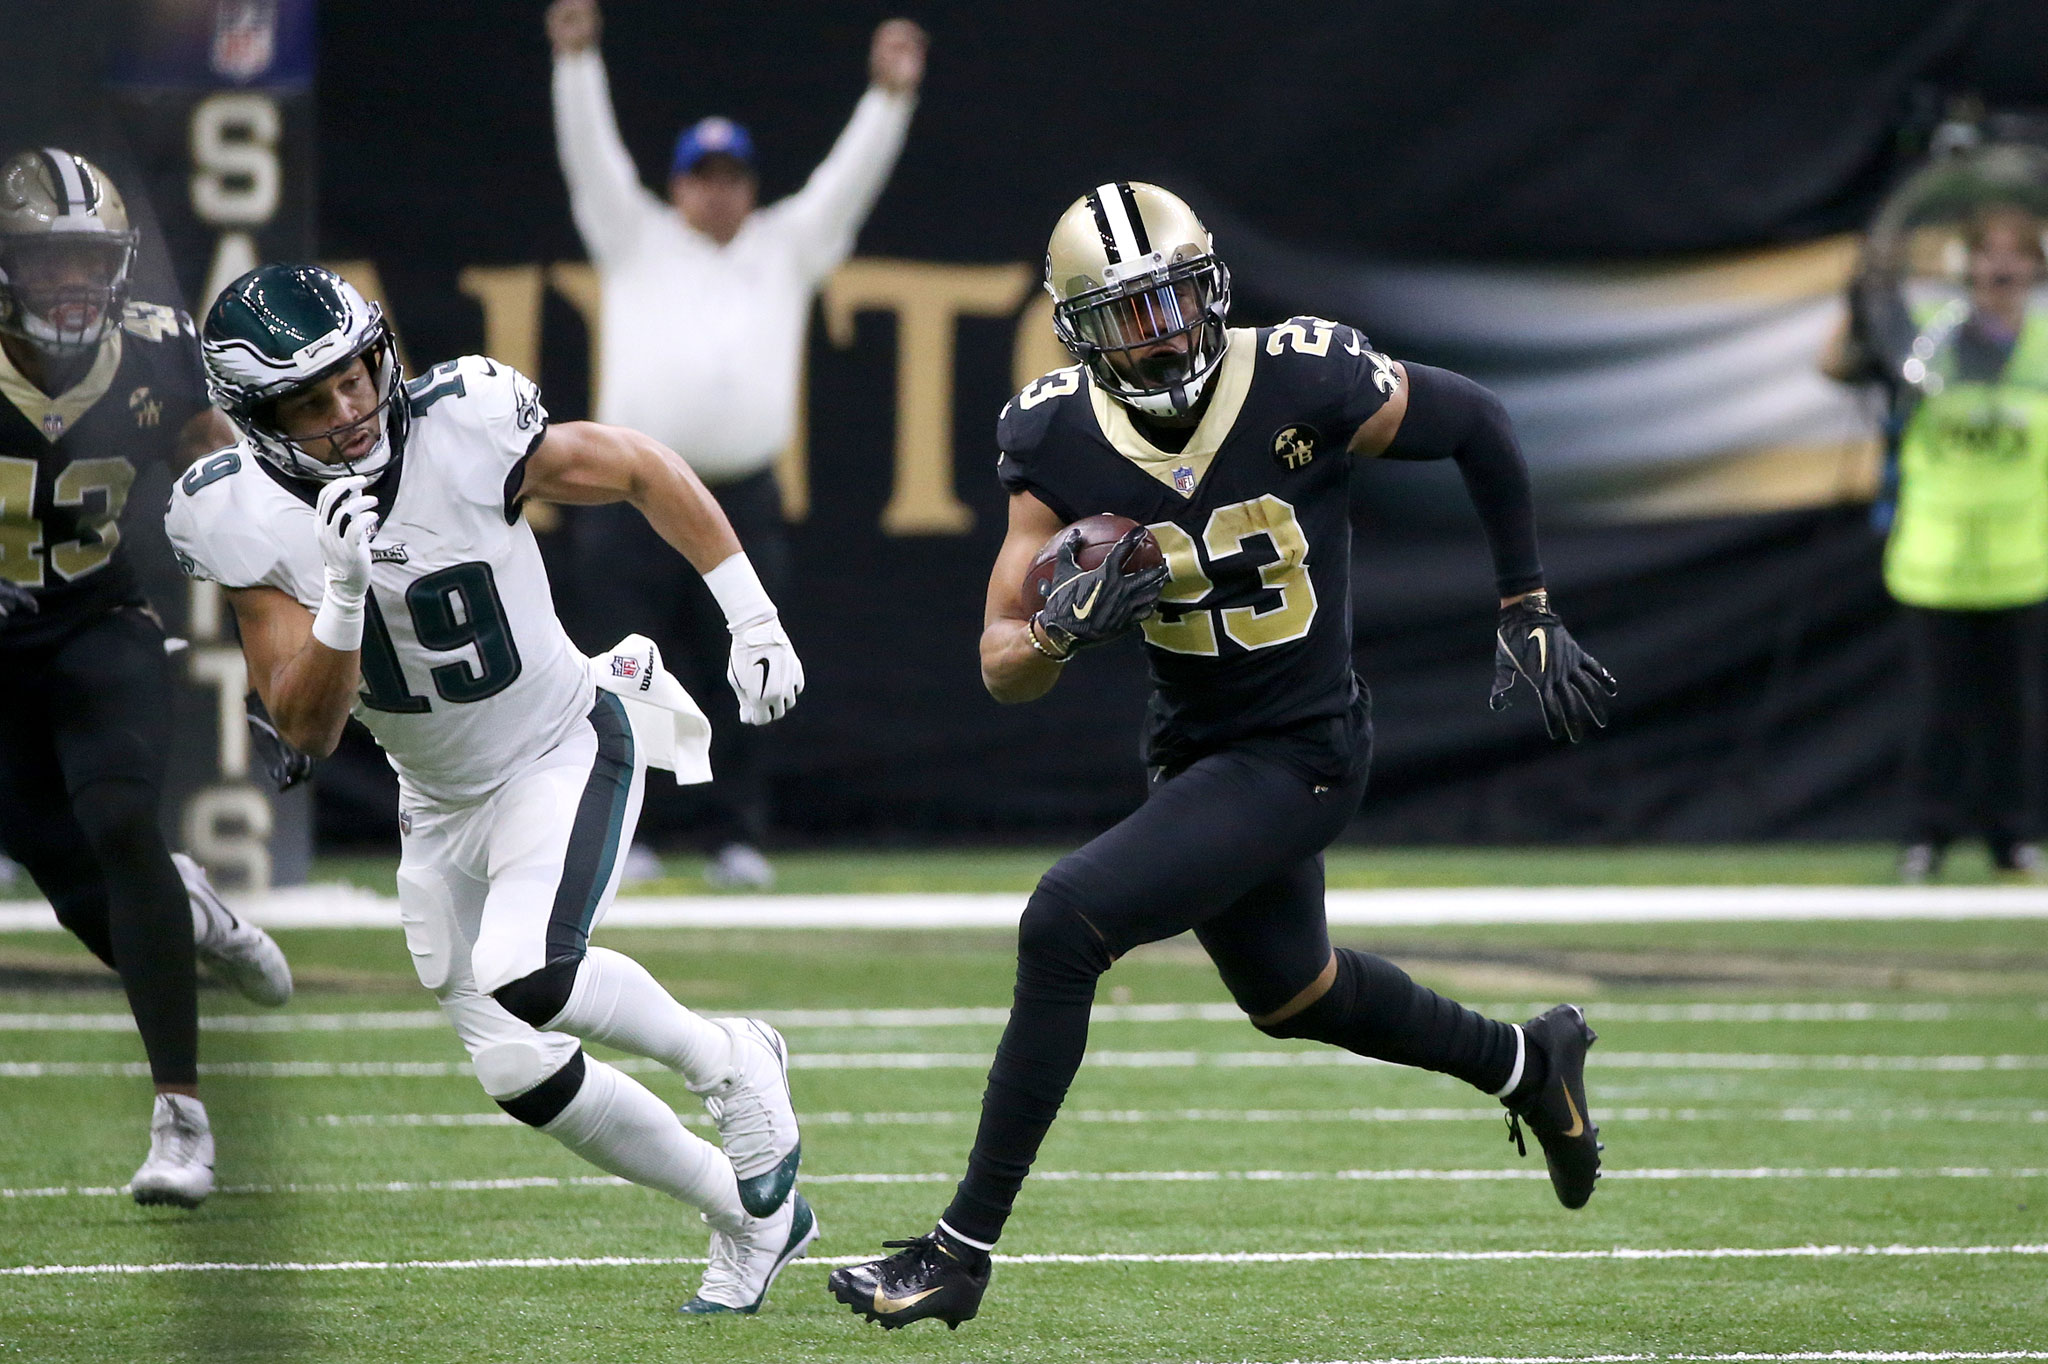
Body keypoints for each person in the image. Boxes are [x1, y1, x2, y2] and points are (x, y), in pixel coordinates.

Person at [828, 183, 1618, 1329]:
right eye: (1121, 317)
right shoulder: (1051, 434)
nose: (1153, 336)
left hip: (1301, 744)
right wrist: (1059, 624)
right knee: (1294, 991)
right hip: (1192, 745)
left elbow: (1479, 421)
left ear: (1209, 290)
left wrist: (1525, 599)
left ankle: (958, 1250)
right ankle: (1527, 1063)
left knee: (1064, 920)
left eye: (1167, 304)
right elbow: (1002, 660)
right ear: (1074, 331)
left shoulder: (1304, 377)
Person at [166, 263, 814, 1315]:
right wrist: (337, 595)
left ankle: (735, 1056)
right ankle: (753, 1219)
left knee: (527, 967)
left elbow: (641, 466)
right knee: (520, 1069)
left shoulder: (464, 423)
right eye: (311, 400)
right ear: (258, 421)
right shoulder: (233, 514)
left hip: (563, 740)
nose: (350, 410)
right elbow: (307, 725)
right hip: (438, 801)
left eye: (356, 376)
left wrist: (751, 614)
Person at [547, 0, 926, 888]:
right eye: (701, 175)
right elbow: (590, 159)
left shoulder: (785, 247)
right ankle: (623, 830)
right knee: (621, 660)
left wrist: (889, 97)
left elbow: (848, 181)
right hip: (624, 495)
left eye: (731, 176)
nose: (716, 190)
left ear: (750, 186)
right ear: (678, 184)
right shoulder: (633, 237)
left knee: (748, 661)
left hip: (737, 495)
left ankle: (735, 834)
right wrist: (575, 62)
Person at [0, 148, 293, 1209]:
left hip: (95, 616)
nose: (70, 285)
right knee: (68, 870)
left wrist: (278, 635)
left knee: (120, 819)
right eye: (47, 262)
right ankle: (193, 912)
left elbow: (221, 487)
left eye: (88, 261)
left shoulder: (154, 353)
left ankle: (182, 1116)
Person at [1825, 204, 2048, 880]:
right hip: (1936, 562)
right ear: (1965, 266)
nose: (2001, 268)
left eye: (2018, 255)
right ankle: (1926, 839)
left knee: (2016, 715)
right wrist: (1860, 296)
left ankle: (2015, 840)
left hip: (2021, 562)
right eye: (1988, 254)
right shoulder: (1927, 343)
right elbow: (1836, 364)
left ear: (2037, 268)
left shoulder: (2043, 347)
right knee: (1937, 715)